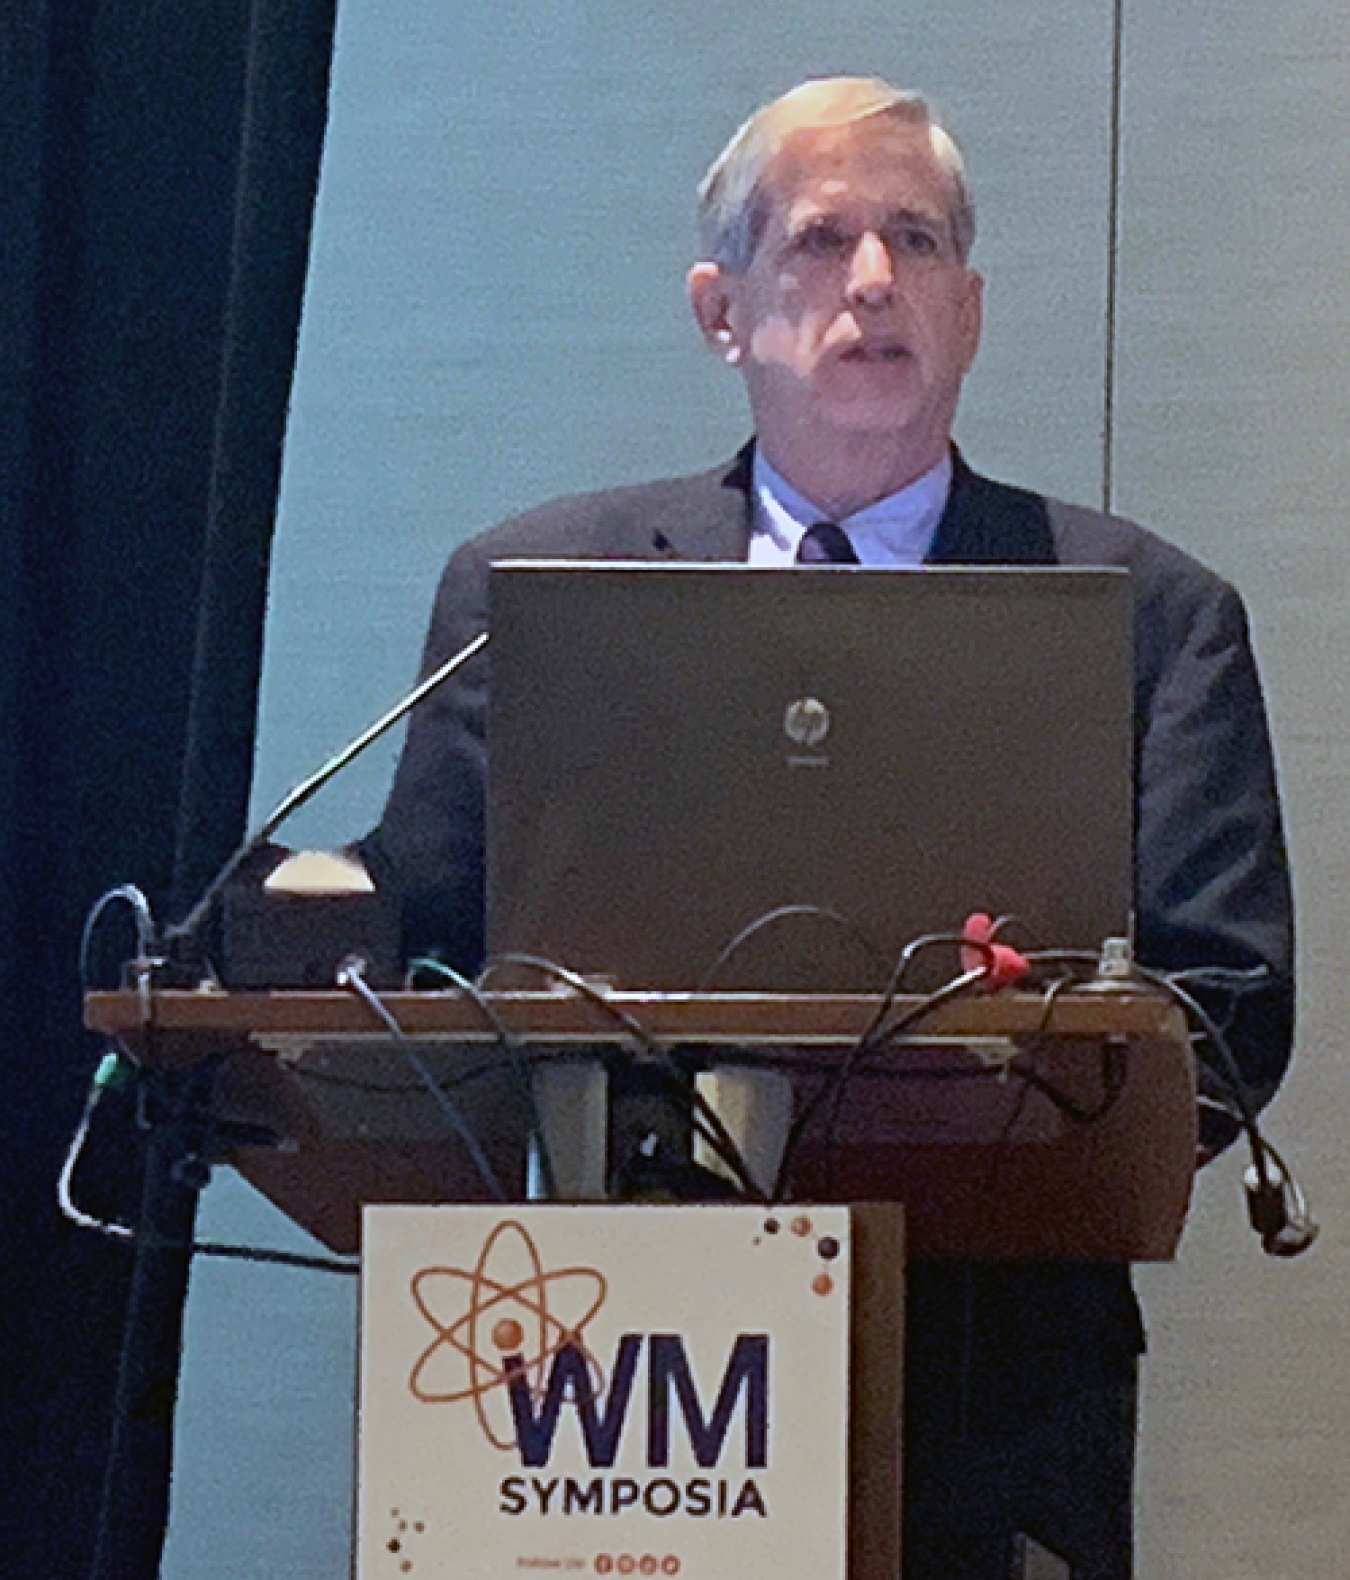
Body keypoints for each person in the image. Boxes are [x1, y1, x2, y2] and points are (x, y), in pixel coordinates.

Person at [363, 77, 1294, 1579]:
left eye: (914, 241)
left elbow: (1229, 1005)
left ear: (970, 310)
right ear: (718, 309)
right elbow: (419, 966)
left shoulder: (1147, 616)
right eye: (821, 240)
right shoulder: (535, 593)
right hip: (607, 1379)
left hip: (995, 1389)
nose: (873, 281)